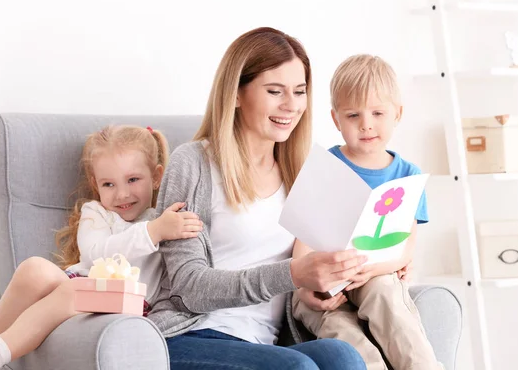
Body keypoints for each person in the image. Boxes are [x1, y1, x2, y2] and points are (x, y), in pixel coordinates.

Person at [147, 27, 367, 370]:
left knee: (343, 357)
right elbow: (189, 287)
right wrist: (293, 274)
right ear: (236, 93)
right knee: (298, 369)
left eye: (299, 91)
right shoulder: (193, 163)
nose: (291, 106)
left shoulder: (303, 168)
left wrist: (311, 288)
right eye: (274, 91)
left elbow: (299, 267)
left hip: (263, 344)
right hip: (188, 337)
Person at [0, 125, 202, 370]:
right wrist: (153, 232)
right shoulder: (96, 213)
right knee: (34, 269)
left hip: (127, 303)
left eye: (133, 180)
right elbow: (96, 255)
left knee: (76, 291)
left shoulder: (161, 220)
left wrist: (159, 228)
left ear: (157, 176)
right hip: (82, 282)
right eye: (109, 184)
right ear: (96, 185)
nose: (122, 194)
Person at [292, 54, 443, 370]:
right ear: (336, 120)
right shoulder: (324, 169)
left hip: (376, 274)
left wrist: (373, 270)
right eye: (353, 115)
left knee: (387, 296)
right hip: (323, 283)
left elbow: (405, 250)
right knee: (343, 335)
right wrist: (307, 289)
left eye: (378, 112)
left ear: (397, 114)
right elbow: (301, 248)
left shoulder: (406, 174)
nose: (366, 124)